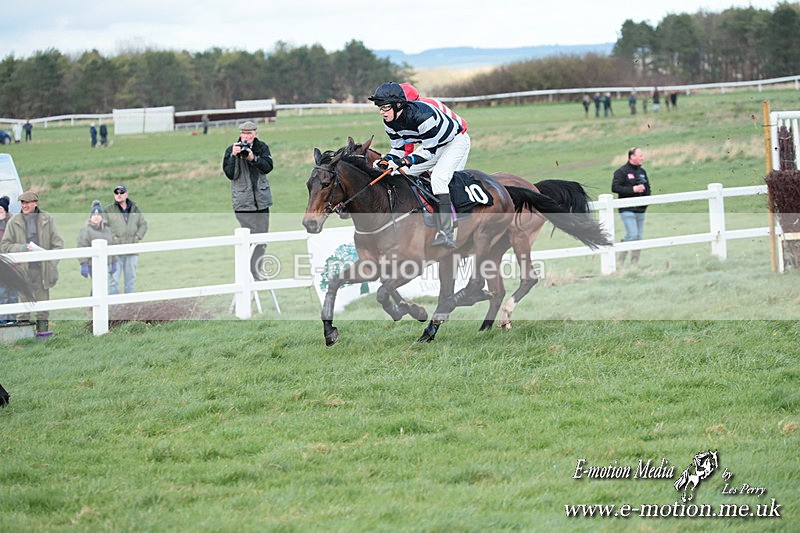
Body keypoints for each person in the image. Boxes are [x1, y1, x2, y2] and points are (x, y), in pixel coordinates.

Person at [369, 81, 470, 248]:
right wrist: (386, 160)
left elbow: (429, 152)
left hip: (454, 143)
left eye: (385, 107)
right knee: (398, 174)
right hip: (433, 144)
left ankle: (447, 233)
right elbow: (399, 149)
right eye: (380, 107)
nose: (382, 112)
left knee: (438, 179)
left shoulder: (423, 116)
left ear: (399, 104)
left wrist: (404, 161)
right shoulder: (390, 122)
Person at [0, 190, 64, 335]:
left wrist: (52, 264)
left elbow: (58, 244)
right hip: (22, 270)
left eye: (27, 202)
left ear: (35, 203)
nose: (24, 205)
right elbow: (5, 246)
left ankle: (43, 336)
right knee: (23, 309)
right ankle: (23, 337)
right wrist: (23, 248)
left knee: (43, 308)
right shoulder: (14, 221)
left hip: (42, 270)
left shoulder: (48, 219)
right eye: (22, 202)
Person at [222, 121, 274, 279]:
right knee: (250, 238)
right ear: (240, 134)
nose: (246, 137)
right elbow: (230, 174)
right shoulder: (231, 149)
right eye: (244, 133)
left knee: (262, 238)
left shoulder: (262, 147)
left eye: (249, 134)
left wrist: (253, 158)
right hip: (243, 203)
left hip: (261, 201)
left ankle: (255, 270)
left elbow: (268, 167)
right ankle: (251, 272)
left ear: (255, 134)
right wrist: (233, 156)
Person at [105, 185, 148, 294]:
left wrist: (137, 236)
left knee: (131, 280)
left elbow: (143, 224)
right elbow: (104, 226)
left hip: (131, 249)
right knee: (114, 280)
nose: (119, 195)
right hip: (115, 251)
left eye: (121, 192)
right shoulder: (108, 210)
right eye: (116, 193)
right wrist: (113, 237)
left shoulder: (135, 209)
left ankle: (129, 308)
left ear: (126, 194)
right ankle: (114, 308)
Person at [611, 147, 651, 266]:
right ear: (632, 157)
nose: (642, 157)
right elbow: (615, 188)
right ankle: (621, 260)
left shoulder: (642, 172)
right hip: (627, 209)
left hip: (640, 209)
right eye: (640, 155)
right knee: (632, 234)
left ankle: (634, 263)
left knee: (638, 237)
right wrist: (633, 189)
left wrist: (646, 200)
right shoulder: (621, 172)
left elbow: (648, 188)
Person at [77, 200, 117, 291]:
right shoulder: (86, 231)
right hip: (92, 264)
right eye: (94, 215)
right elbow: (81, 246)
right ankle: (92, 305)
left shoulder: (107, 230)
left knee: (101, 286)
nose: (96, 217)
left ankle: (93, 305)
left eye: (98, 215)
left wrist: (114, 261)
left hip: (105, 263)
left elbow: (112, 245)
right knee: (98, 286)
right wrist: (83, 263)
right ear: (90, 217)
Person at [0, 196, 18, 324]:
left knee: (13, 293)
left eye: (1, 209)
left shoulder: (13, 224)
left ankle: (13, 319)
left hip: (13, 265)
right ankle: (3, 319)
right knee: (2, 293)